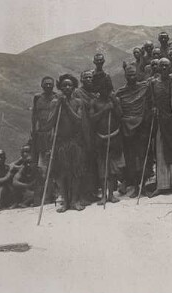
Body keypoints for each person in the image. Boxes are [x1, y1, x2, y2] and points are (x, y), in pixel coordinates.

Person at [48, 74, 87, 212]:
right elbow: (49, 123)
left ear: (74, 86)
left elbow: (78, 120)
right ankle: (65, 202)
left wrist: (66, 106)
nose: (67, 88)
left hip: (74, 141)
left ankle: (75, 201)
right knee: (62, 173)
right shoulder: (54, 102)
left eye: (69, 85)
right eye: (64, 85)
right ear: (60, 87)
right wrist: (58, 105)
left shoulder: (78, 102)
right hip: (60, 142)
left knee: (76, 172)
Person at [115, 63, 152, 197]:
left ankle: (144, 186)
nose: (131, 77)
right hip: (127, 130)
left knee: (143, 157)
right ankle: (135, 187)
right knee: (131, 159)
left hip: (142, 127)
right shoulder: (120, 92)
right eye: (129, 75)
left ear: (137, 75)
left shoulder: (144, 87)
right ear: (125, 76)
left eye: (133, 75)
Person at [89, 75, 124, 205]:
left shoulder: (115, 100)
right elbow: (92, 120)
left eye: (107, 88)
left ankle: (111, 195)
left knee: (113, 169)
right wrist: (104, 110)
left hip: (114, 138)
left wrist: (114, 104)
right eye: (102, 88)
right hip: (100, 139)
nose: (105, 91)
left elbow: (120, 116)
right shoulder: (94, 102)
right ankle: (103, 195)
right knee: (102, 169)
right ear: (98, 89)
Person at [149, 58, 172, 197]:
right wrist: (154, 108)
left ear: (170, 67)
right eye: (161, 66)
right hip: (160, 121)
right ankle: (162, 185)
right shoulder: (153, 83)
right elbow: (151, 101)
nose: (163, 68)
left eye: (166, 66)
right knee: (161, 151)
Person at [73, 70, 100, 205]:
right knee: (84, 162)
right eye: (86, 77)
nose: (89, 79)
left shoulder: (95, 92)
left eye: (90, 77)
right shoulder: (78, 93)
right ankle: (83, 194)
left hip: (94, 130)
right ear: (81, 79)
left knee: (93, 162)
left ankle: (92, 192)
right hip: (83, 131)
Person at [31, 76, 58, 174]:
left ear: (53, 85)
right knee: (41, 155)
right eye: (46, 84)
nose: (48, 86)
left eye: (50, 84)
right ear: (41, 85)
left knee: (51, 154)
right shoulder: (37, 97)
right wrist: (33, 128)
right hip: (41, 131)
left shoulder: (57, 97)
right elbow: (34, 114)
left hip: (52, 131)